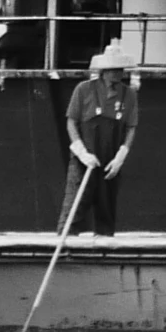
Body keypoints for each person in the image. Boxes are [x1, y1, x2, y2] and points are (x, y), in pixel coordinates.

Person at [61, 43, 139, 236]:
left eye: (120, 69)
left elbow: (131, 128)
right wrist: (81, 152)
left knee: (106, 210)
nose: (119, 73)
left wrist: (120, 157)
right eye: (114, 69)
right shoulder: (83, 90)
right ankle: (65, 248)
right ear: (104, 71)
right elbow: (71, 122)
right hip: (84, 161)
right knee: (74, 207)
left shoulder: (128, 94)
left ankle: (104, 250)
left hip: (110, 162)